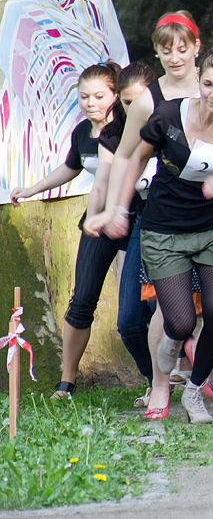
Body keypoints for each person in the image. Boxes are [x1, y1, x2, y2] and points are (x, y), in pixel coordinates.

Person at [85, 11, 213, 419]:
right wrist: (116, 210)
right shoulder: (163, 111)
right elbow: (130, 157)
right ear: (200, 82)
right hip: (165, 226)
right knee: (177, 323)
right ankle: (164, 371)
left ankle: (193, 389)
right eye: (209, 85)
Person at [10, 62, 128, 399]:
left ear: (115, 96)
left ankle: (161, 376)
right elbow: (71, 167)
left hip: (132, 220)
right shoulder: (81, 132)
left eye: (99, 96)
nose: (91, 102)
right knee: (81, 300)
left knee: (142, 306)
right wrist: (32, 189)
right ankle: (67, 381)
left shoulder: (126, 130)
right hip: (96, 223)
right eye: (84, 96)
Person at [93, 62, 158, 405]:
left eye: (142, 101)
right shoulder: (117, 135)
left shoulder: (176, 124)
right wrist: (101, 213)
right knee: (130, 321)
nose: (136, 111)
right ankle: (155, 379)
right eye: (128, 103)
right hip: (139, 227)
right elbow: (105, 177)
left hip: (180, 229)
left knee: (177, 316)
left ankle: (181, 373)